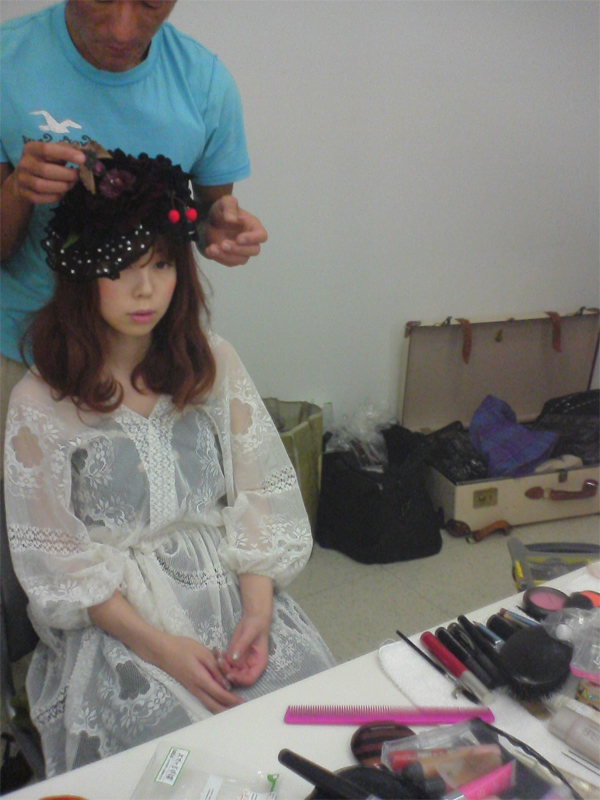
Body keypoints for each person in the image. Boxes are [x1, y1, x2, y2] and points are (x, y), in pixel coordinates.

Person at [3, 147, 334, 777]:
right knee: (178, 759)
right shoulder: (40, 401)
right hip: (121, 622)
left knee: (307, 730)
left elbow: (259, 495)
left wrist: (257, 614)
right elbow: (60, 563)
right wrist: (163, 650)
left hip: (229, 593)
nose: (146, 289)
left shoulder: (212, 360)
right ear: (82, 272)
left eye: (160, 264)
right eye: (121, 267)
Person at [0, 0, 268, 462]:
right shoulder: (8, 63)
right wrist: (18, 190)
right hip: (22, 356)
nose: (124, 30)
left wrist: (216, 228)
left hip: (148, 367)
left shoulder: (205, 84)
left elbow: (203, 216)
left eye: (149, 3)